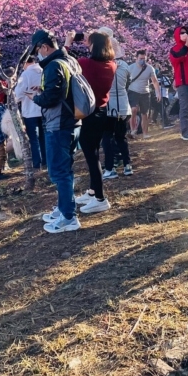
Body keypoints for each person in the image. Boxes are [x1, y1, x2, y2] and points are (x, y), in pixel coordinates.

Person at [29, 29, 83, 234]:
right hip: (74, 122)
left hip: (58, 125)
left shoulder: (53, 66)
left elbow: (51, 97)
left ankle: (69, 217)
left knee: (59, 172)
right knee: (65, 170)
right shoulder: (70, 61)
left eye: (37, 50)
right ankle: (64, 209)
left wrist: (36, 98)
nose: (37, 55)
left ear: (44, 47)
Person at [76, 32, 117, 214]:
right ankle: (93, 191)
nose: (86, 45)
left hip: (89, 113)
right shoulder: (111, 64)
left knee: (91, 156)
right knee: (93, 152)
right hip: (102, 111)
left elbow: (66, 63)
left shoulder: (87, 64)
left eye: (89, 43)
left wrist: (69, 42)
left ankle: (100, 198)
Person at [103, 40, 133, 178]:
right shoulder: (125, 66)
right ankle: (127, 165)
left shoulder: (106, 66)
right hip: (123, 105)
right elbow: (128, 83)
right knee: (122, 137)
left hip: (109, 106)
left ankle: (110, 168)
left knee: (108, 137)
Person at [14, 56, 47, 169]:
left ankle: (36, 163)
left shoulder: (25, 74)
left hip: (30, 112)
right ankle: (46, 161)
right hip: (44, 109)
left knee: (34, 139)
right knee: (44, 137)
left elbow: (17, 95)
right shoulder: (43, 71)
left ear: (25, 62)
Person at [127, 50, 160, 138]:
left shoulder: (149, 68)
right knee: (133, 110)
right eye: (140, 58)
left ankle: (145, 133)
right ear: (136, 58)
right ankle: (133, 130)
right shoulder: (130, 68)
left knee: (145, 113)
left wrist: (158, 93)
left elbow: (155, 81)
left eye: (144, 59)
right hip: (133, 91)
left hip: (145, 92)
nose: (142, 60)